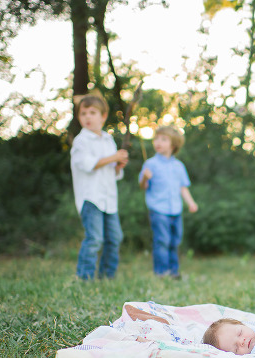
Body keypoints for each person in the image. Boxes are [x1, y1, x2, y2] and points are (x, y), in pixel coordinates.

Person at [70, 93, 129, 280]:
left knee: (115, 238)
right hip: (91, 197)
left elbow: (112, 171)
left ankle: (107, 276)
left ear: (103, 116)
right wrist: (114, 158)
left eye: (92, 112)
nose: (87, 117)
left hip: (109, 198)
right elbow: (89, 164)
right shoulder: (81, 141)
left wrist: (118, 166)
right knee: (95, 239)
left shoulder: (108, 139)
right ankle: (84, 277)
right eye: (83, 113)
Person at [138, 126, 198, 279]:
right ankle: (161, 272)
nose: (158, 142)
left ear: (173, 145)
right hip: (158, 209)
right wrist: (145, 177)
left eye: (163, 139)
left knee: (174, 241)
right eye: (156, 139)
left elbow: (183, 188)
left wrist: (191, 203)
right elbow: (143, 186)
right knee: (162, 241)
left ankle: (174, 272)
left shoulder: (178, 166)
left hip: (175, 210)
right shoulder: (150, 164)